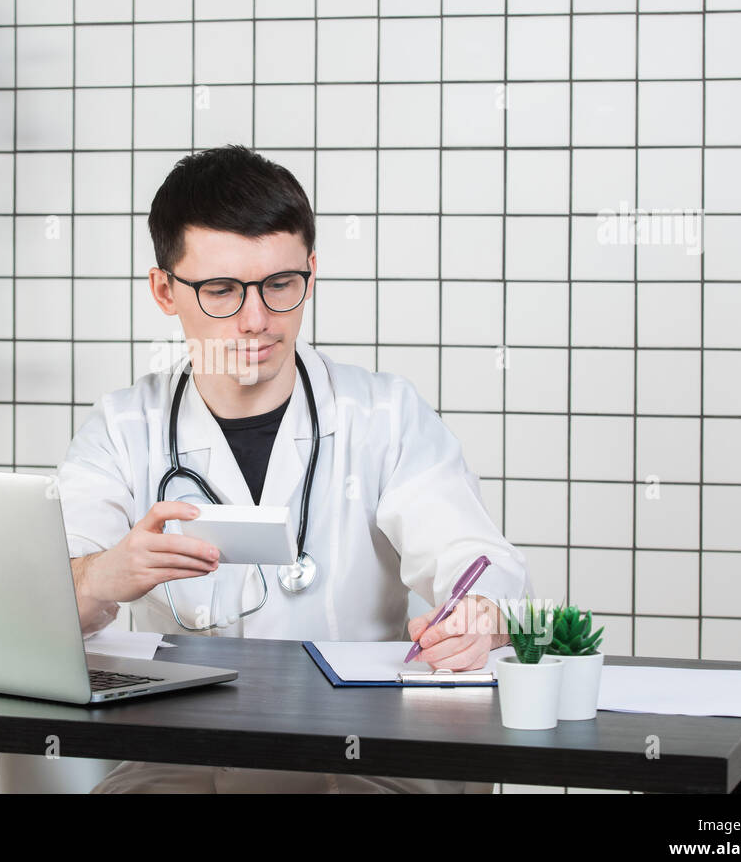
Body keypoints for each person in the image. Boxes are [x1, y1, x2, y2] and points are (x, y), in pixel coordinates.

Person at [57, 145, 533, 793]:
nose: (257, 319)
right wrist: (100, 578)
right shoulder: (122, 428)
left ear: (310, 270)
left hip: (362, 750)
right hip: (181, 753)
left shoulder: (383, 415)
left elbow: (478, 558)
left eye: (280, 285)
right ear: (165, 290)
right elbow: (39, 603)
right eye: (222, 290)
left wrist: (478, 613)